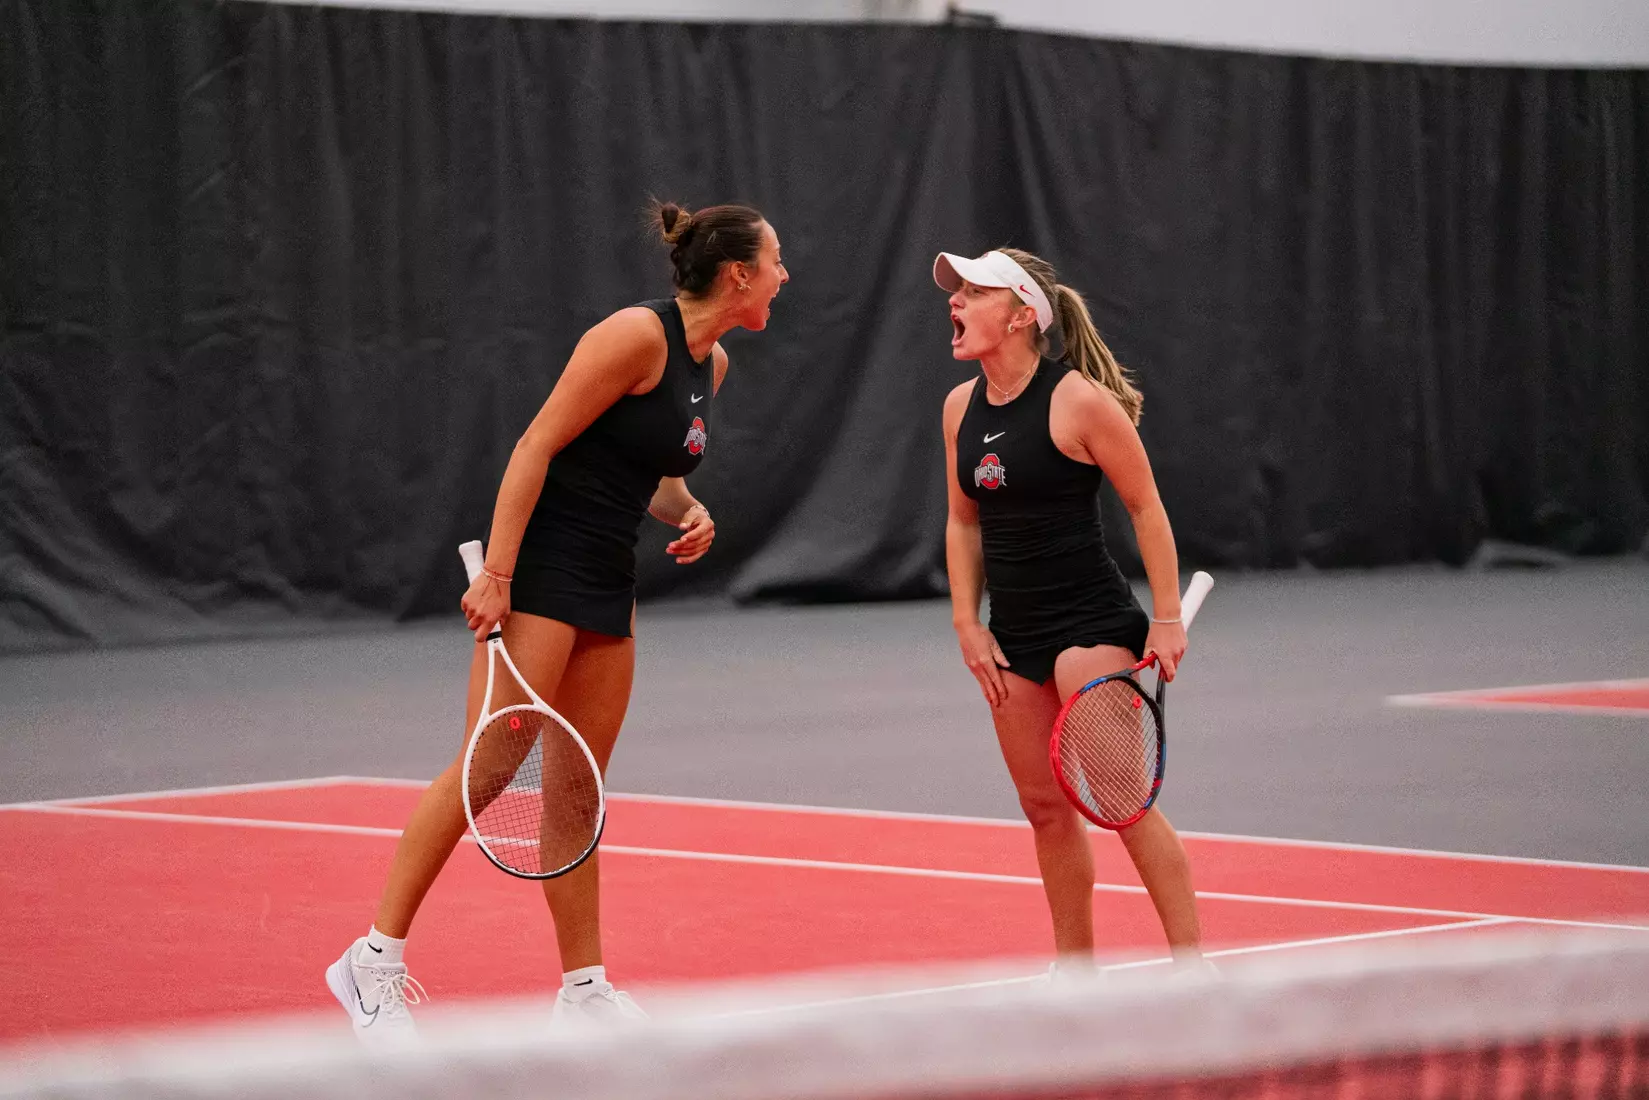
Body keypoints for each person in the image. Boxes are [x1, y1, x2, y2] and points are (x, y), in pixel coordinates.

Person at [326, 201, 788, 1044]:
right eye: (776, 263)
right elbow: (537, 445)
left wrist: (686, 509)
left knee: (577, 788)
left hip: (611, 575)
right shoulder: (632, 336)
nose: (785, 278)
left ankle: (583, 991)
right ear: (738, 275)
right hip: (543, 568)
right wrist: (497, 575)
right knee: (488, 771)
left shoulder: (709, 365)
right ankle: (371, 963)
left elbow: (645, 469)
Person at [935, 246, 1209, 975]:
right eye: (955, 292)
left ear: (1022, 314)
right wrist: (967, 621)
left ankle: (1195, 973)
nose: (955, 303)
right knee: (1044, 807)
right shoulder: (958, 407)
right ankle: (1074, 977)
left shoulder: (1076, 401)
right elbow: (963, 522)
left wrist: (1166, 617)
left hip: (1088, 620)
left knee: (1120, 801)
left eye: (973, 293)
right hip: (1012, 631)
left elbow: (1144, 506)